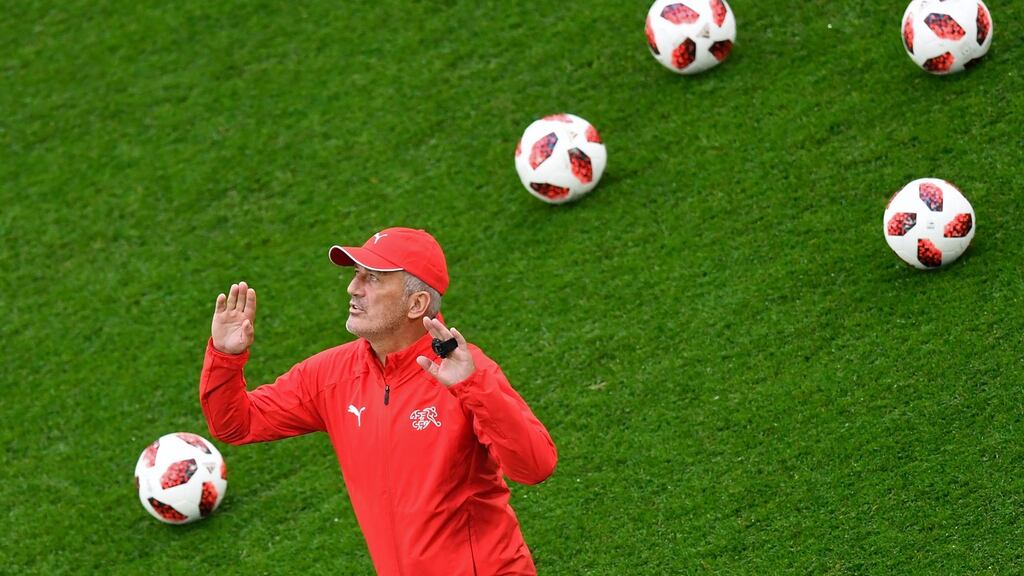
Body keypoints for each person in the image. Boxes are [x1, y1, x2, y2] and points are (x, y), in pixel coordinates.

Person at [199, 227, 557, 576]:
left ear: (416, 304)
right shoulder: (331, 375)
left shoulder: (465, 372)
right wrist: (226, 357)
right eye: (357, 274)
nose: (353, 288)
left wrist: (474, 387)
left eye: (373, 278)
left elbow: (535, 467)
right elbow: (235, 424)